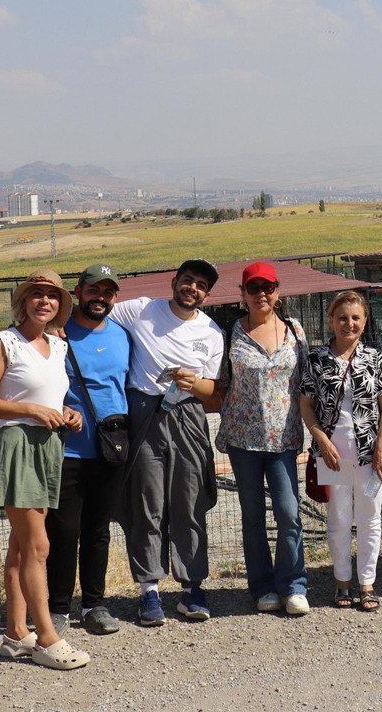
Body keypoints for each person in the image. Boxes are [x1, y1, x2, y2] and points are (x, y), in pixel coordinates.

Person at [0, 269, 89, 670]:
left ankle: (15, 634)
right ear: (23, 302)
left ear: (60, 305)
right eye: (36, 295)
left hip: (49, 446)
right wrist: (31, 410)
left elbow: (49, 396)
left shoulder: (56, 345)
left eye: (52, 296)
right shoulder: (3, 342)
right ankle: (47, 638)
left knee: (21, 547)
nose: (45, 301)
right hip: (19, 444)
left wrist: (66, 413)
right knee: (39, 546)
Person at [111, 259, 224, 626]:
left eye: (201, 285)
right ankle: (149, 591)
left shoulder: (211, 332)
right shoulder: (141, 309)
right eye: (187, 280)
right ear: (174, 282)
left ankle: (192, 588)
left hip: (188, 415)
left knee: (189, 502)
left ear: (207, 295)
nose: (192, 288)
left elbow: (214, 393)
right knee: (148, 502)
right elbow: (97, 322)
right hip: (144, 412)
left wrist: (194, 384)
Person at [209, 261, 311, 615]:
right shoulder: (230, 334)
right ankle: (263, 587)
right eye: (254, 288)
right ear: (243, 294)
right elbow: (219, 384)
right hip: (243, 440)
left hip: (284, 439)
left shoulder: (295, 330)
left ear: (278, 291)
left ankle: (293, 584)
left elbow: (307, 382)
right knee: (252, 515)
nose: (262, 294)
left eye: (268, 287)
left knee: (288, 513)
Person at [46, 263, 129, 637]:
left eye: (108, 292)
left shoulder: (124, 336)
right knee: (63, 530)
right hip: (67, 449)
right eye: (94, 290)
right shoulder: (55, 335)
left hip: (111, 448)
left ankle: (95, 604)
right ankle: (57, 609)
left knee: (98, 530)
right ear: (78, 292)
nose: (101, 298)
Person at [299, 292, 382, 611]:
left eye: (355, 318)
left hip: (371, 455)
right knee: (338, 518)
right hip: (332, 456)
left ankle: (366, 583)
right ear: (331, 320)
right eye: (342, 317)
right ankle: (342, 582)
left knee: (370, 519)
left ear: (365, 320)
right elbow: (306, 405)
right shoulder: (316, 359)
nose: (349, 323)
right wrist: (320, 440)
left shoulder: (375, 358)